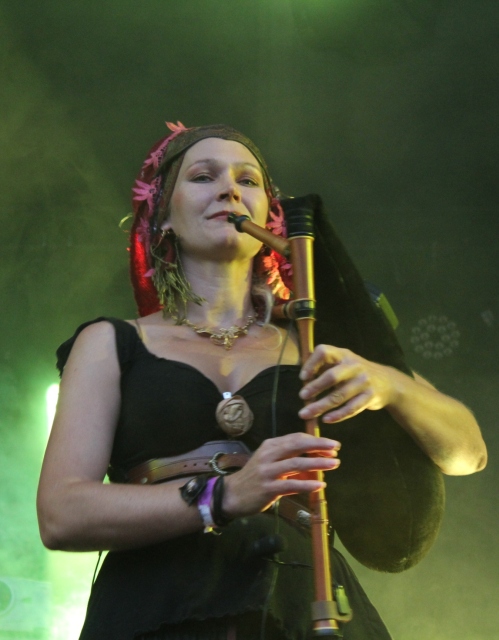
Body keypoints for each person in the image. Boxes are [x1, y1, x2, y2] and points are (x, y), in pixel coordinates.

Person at [37, 122, 487, 640]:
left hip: (303, 602)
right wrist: (224, 495)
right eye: (203, 177)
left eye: (247, 180)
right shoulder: (110, 343)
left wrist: (391, 384)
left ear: (269, 218)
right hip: (155, 604)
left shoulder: (316, 342)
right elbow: (61, 514)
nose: (229, 190)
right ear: (162, 216)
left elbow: (467, 454)